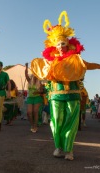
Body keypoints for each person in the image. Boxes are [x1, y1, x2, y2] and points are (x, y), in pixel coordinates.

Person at [30, 11, 100, 160]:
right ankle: (58, 146)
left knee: (71, 121)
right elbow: (40, 71)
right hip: (56, 94)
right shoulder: (51, 61)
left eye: (63, 43)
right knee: (56, 121)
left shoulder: (75, 59)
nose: (61, 47)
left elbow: (87, 65)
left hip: (73, 94)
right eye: (58, 44)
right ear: (54, 46)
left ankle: (69, 150)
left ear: (68, 44)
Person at [25, 63, 44, 133]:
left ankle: (35, 126)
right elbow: (26, 74)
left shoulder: (40, 82)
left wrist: (38, 92)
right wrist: (26, 67)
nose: (34, 75)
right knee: (29, 112)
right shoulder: (29, 80)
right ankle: (32, 125)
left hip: (37, 98)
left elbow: (42, 91)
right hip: (30, 98)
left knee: (35, 112)